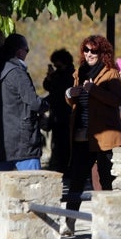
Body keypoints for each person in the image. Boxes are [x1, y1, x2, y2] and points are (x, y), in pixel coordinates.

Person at [0, 33, 48, 239]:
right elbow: (33, 103)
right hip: (22, 139)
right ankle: (37, 233)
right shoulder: (16, 72)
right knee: (34, 186)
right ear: (19, 51)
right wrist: (47, 104)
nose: (27, 54)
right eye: (27, 51)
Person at [63, 35, 121, 236]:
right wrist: (70, 94)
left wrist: (93, 90)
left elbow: (116, 100)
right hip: (82, 135)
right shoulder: (79, 72)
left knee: (106, 181)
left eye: (94, 51)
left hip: (104, 137)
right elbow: (74, 102)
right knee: (76, 181)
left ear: (102, 53)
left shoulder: (111, 73)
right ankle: (69, 222)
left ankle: (108, 223)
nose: (89, 54)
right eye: (86, 50)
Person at [42, 48, 75, 176]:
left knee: (66, 145)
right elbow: (48, 87)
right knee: (57, 144)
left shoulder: (71, 75)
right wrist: (49, 77)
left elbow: (61, 91)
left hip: (67, 115)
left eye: (58, 64)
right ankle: (59, 167)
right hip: (56, 116)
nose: (56, 67)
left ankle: (66, 169)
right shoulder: (57, 75)